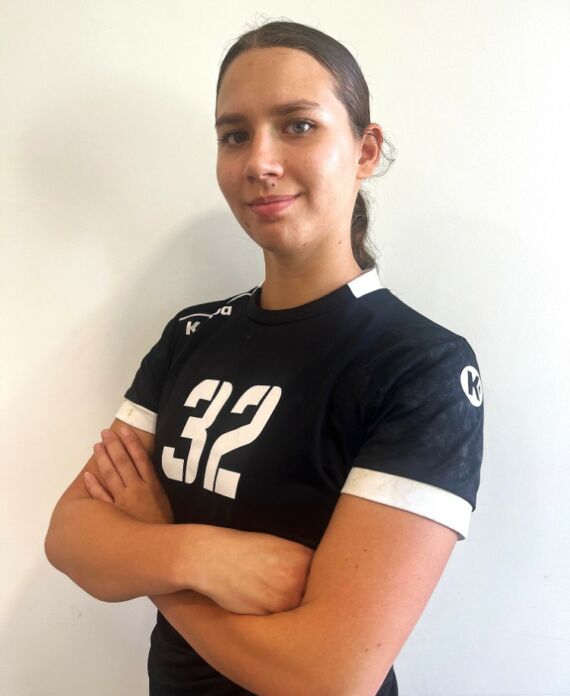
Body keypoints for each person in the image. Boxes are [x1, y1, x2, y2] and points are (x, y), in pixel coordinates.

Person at [44, 19, 484, 696]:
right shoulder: (190, 335)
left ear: (365, 150)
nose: (259, 162)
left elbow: (326, 677)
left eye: (298, 125)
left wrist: (153, 549)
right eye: (235, 135)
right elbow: (71, 537)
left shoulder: (420, 367)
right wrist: (199, 554)